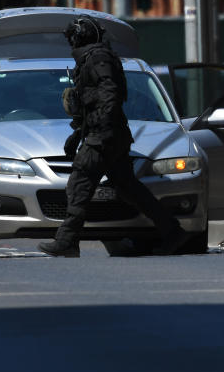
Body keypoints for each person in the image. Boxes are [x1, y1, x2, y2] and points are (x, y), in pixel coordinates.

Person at [38, 15, 190, 257]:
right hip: (108, 134)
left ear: (80, 37)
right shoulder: (91, 57)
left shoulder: (98, 58)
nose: (71, 44)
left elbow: (109, 94)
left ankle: (67, 240)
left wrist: (99, 128)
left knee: (79, 181)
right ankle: (173, 232)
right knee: (128, 187)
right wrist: (79, 133)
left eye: (73, 39)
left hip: (106, 136)